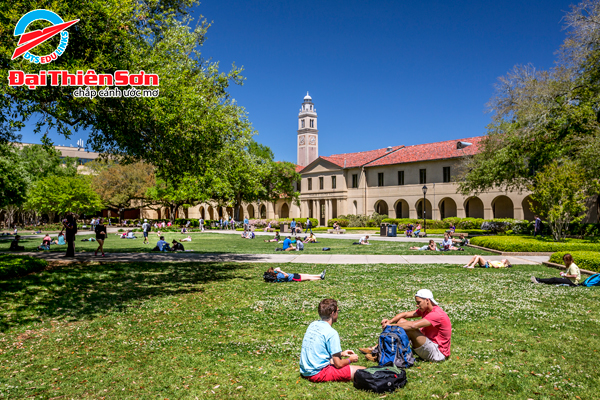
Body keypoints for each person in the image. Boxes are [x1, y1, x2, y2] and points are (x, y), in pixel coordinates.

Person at [360, 289, 451, 363]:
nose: (417, 305)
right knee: (402, 321)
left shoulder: (437, 314)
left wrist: (390, 326)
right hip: (428, 344)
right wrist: (390, 321)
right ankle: (380, 349)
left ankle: (380, 352)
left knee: (410, 329)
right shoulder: (426, 310)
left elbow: (413, 326)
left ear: (427, 300)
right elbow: (405, 314)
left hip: (437, 353)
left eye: (419, 302)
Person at [300, 298, 366, 383]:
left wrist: (341, 353)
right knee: (363, 371)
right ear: (332, 313)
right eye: (338, 311)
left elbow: (319, 350)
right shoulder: (331, 333)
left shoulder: (313, 325)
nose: (338, 313)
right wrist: (351, 359)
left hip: (305, 370)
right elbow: (338, 364)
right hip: (317, 373)